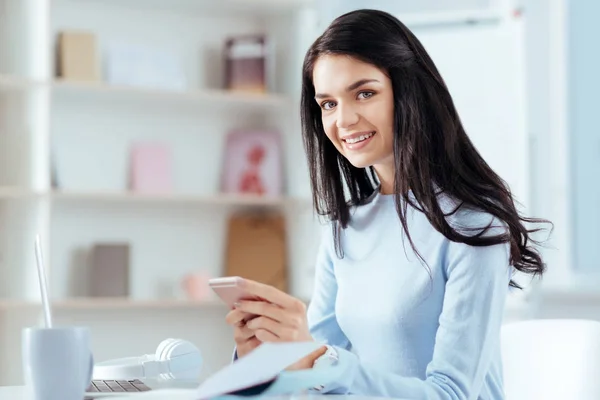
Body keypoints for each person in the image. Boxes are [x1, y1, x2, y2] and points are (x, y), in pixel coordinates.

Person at [225, 8, 551, 400]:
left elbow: (451, 394)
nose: (343, 120)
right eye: (328, 104)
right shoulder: (343, 228)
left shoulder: (474, 227)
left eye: (364, 93)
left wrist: (316, 361)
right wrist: (269, 357)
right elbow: (318, 384)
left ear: (408, 91)